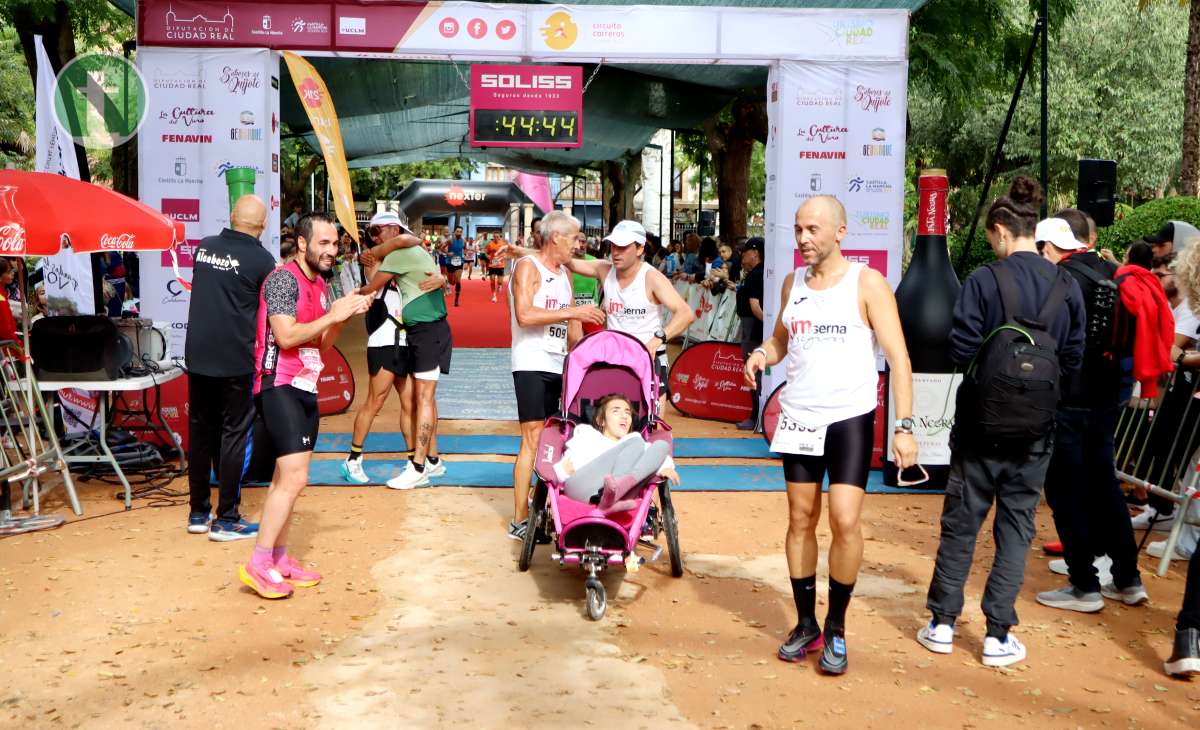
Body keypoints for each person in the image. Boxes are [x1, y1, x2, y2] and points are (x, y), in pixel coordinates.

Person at [743, 195, 918, 676]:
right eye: (798, 229)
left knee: (844, 520)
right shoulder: (791, 283)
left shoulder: (868, 283)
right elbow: (781, 340)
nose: (803, 239)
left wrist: (904, 428)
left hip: (849, 418)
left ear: (840, 232)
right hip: (799, 416)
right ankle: (806, 625)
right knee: (800, 519)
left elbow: (899, 358)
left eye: (814, 229)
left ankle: (837, 626)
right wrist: (763, 353)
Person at [917, 177, 1085, 668]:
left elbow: (960, 348)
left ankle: (943, 624)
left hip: (978, 428)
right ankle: (997, 634)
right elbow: (1072, 359)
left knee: (962, 524)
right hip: (1037, 433)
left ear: (999, 231)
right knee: (1017, 526)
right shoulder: (1066, 285)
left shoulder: (985, 280)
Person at [238, 213, 372, 599]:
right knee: (293, 478)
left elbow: (321, 345)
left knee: (289, 479)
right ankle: (259, 563)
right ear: (302, 244)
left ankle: (279, 558)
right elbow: (285, 335)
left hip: (305, 386)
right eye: (324, 244)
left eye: (335, 244)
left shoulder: (320, 285)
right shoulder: (283, 279)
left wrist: (343, 317)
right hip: (277, 384)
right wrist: (333, 314)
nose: (332, 251)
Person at [1032, 212, 1148, 614]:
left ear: (1047, 246)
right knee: (1104, 486)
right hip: (1108, 398)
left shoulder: (1060, 281)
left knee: (1065, 491)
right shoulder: (1114, 272)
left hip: (1067, 401)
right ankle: (1128, 579)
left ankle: (1084, 584)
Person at [508, 211, 606, 540]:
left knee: (555, 442)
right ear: (556, 238)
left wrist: (594, 354)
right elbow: (524, 315)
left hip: (558, 363)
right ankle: (520, 519)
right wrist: (573, 312)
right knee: (533, 439)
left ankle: (540, 510)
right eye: (575, 238)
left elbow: (573, 330)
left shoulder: (565, 274)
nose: (579, 244)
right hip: (531, 361)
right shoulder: (528, 267)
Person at [185, 195, 277, 540]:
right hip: (235, 358)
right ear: (263, 226)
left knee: (200, 432)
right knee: (234, 434)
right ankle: (226, 518)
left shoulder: (204, 248)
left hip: (199, 355)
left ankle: (197, 513)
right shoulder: (262, 260)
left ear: (231, 216)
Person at [510, 219, 696, 384]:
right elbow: (565, 259)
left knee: (650, 422)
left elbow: (685, 313)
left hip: (648, 357)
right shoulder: (605, 269)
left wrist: (658, 340)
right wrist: (521, 251)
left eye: (623, 247)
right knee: (613, 419)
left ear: (640, 249)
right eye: (613, 246)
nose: (615, 252)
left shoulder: (652, 278)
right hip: (615, 358)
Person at [341, 212, 444, 484]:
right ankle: (353, 459)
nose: (373, 238)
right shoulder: (374, 258)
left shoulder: (403, 259)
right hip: (385, 341)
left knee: (410, 402)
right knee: (375, 401)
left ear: (391, 228)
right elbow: (407, 241)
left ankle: (415, 460)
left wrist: (441, 279)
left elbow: (413, 244)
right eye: (371, 234)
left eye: (378, 232)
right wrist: (382, 246)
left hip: (404, 341)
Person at [553, 393, 679, 509]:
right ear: (601, 421)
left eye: (628, 412)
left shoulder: (635, 446)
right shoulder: (588, 434)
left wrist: (665, 467)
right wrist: (562, 471)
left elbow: (657, 455)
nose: (624, 416)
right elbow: (563, 468)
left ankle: (612, 498)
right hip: (581, 488)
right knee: (636, 441)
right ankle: (613, 494)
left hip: (611, 498)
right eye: (616, 411)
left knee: (662, 445)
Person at [736, 239, 766, 430]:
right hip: (754, 327)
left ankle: (755, 418)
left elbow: (755, 307)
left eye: (745, 252)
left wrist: (770, 327)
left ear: (754, 253)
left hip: (753, 329)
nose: (743, 256)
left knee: (753, 374)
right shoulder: (756, 273)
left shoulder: (756, 275)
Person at [446, 225, 467, 306]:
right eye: (457, 231)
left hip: (459, 262)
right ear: (455, 232)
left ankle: (456, 300)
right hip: (449, 262)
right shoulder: (450, 240)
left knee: (458, 281)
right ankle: (449, 281)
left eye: (460, 232)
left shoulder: (464, 241)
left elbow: (465, 249)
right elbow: (440, 248)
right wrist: (448, 253)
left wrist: (464, 259)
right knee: (452, 283)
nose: (459, 233)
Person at [486, 233, 507, 303]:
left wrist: (503, 256)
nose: (496, 238)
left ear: (499, 237)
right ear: (493, 237)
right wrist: (487, 256)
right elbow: (486, 252)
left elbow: (506, 252)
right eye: (494, 236)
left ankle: (500, 285)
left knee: (499, 282)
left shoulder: (503, 244)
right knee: (492, 280)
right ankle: (494, 295)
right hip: (492, 265)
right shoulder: (490, 244)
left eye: (497, 236)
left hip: (500, 265)